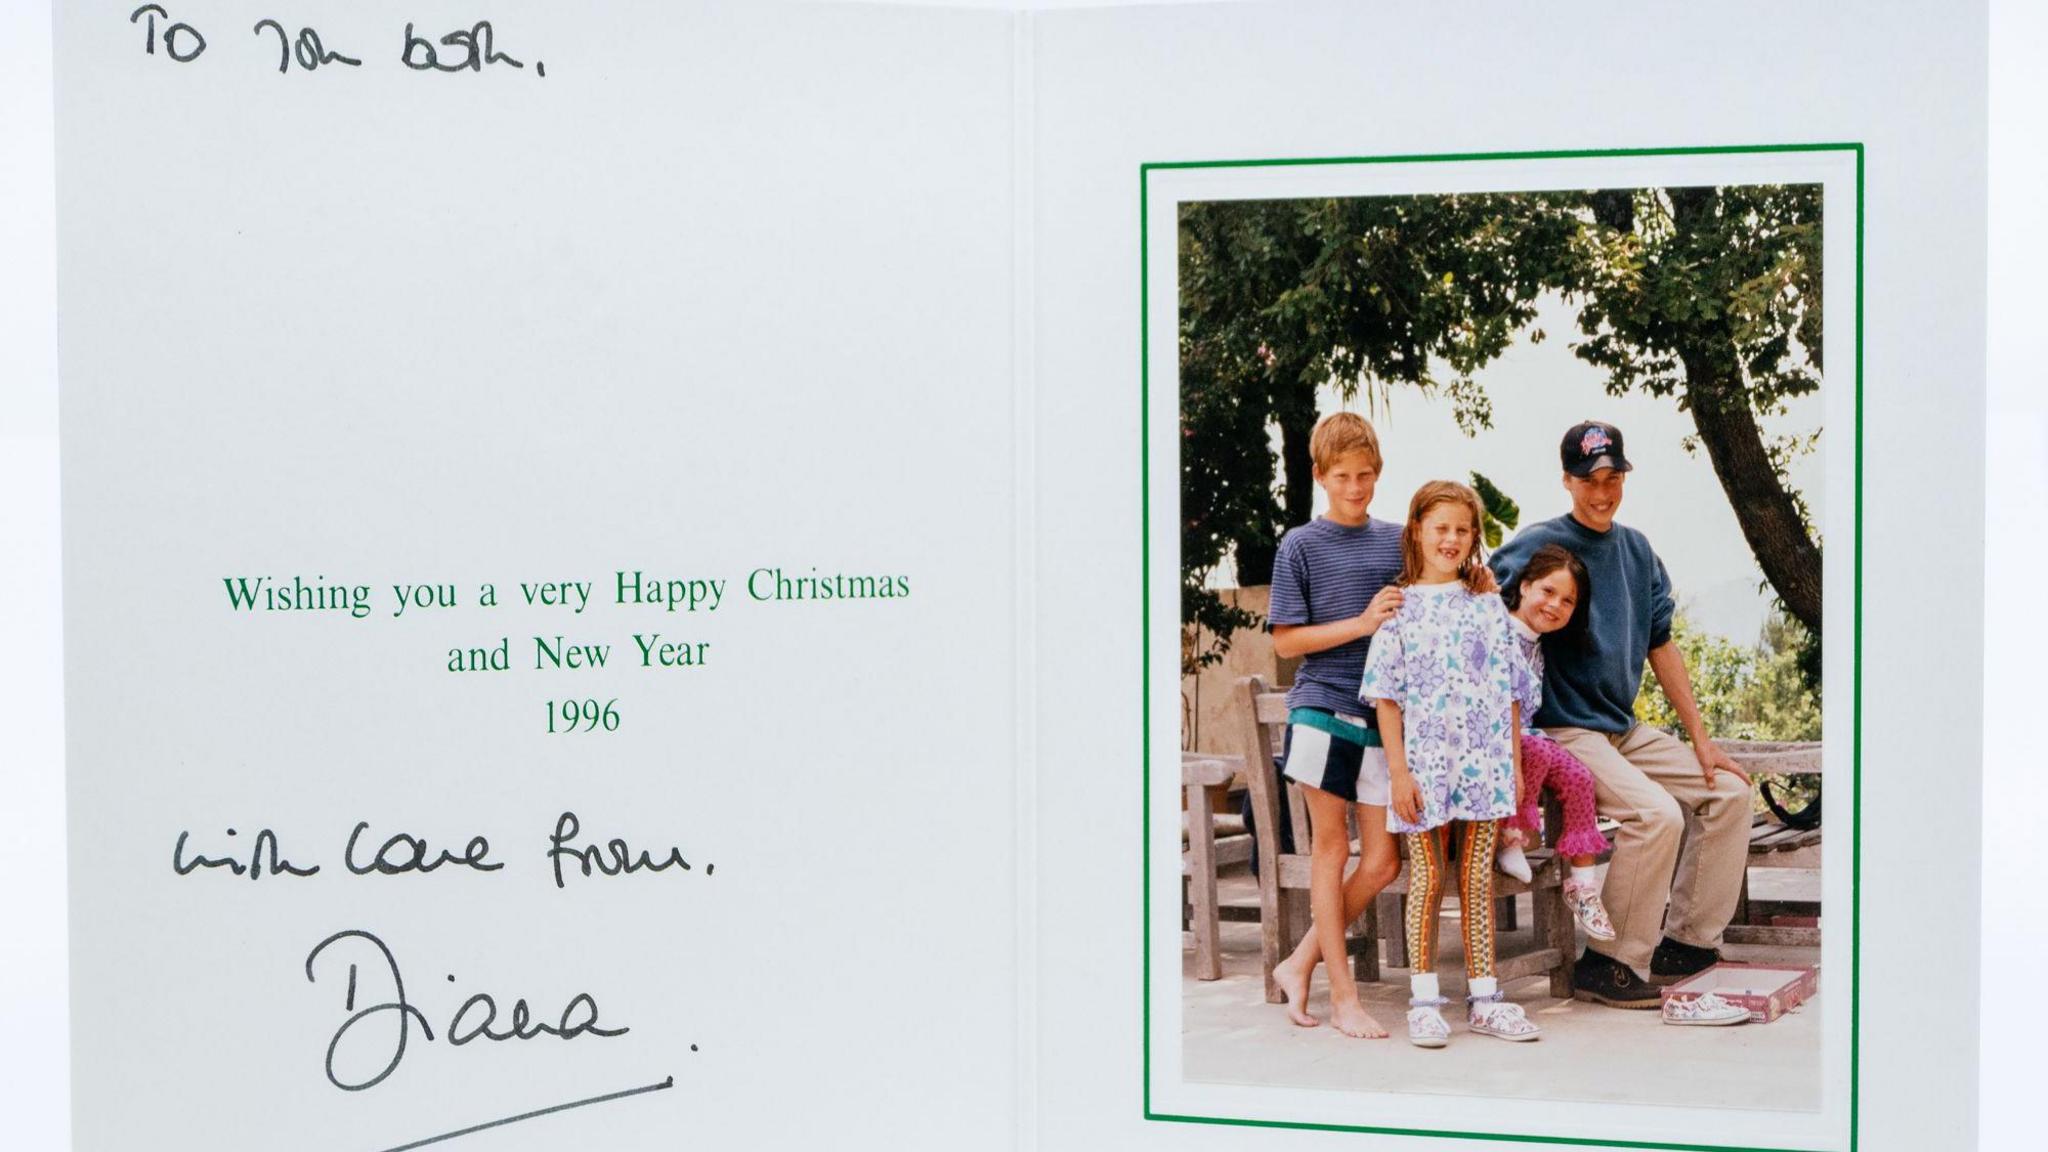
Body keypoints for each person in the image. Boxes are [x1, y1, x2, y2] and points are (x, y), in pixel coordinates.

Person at [1488, 420, 1754, 1016]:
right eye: (1589, 480)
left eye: (1613, 478)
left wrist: (1701, 742)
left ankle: (1686, 944)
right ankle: (1611, 962)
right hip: (1560, 728)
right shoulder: (1536, 545)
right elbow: (1478, 603)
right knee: (1655, 815)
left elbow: (1662, 644)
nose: (1602, 491)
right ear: (1567, 481)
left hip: (1620, 726)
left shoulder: (1637, 551)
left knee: (1731, 793)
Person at [1360, 480, 1543, 1047]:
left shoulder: (1488, 605)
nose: (1452, 539)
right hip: (1423, 767)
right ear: (1416, 529)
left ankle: (1486, 998)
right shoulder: (1398, 610)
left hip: (1484, 764)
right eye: (1441, 527)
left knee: (1476, 880)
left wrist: (1512, 765)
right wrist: (1398, 772)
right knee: (1429, 876)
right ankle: (1422, 1000)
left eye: (1463, 530)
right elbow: (1387, 697)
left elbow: (1512, 691)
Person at [1263, 412, 1405, 1039]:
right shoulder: (1299, 545)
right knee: (1331, 849)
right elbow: (1288, 644)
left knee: (1381, 862)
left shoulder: (1399, 541)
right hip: (1320, 707)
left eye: (1366, 475)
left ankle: (1298, 961)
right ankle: (1342, 998)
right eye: (1343, 476)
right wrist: (1361, 624)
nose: (1356, 487)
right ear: (1320, 475)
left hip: (1382, 716)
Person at [1495, 544, 1615, 943]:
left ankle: (1582, 884)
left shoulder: (1538, 645)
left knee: (1580, 778)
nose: (1555, 606)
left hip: (1528, 736)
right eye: (1547, 591)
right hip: (1490, 741)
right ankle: (1513, 837)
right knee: (1543, 749)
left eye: (1567, 601)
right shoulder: (1495, 630)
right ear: (1525, 586)